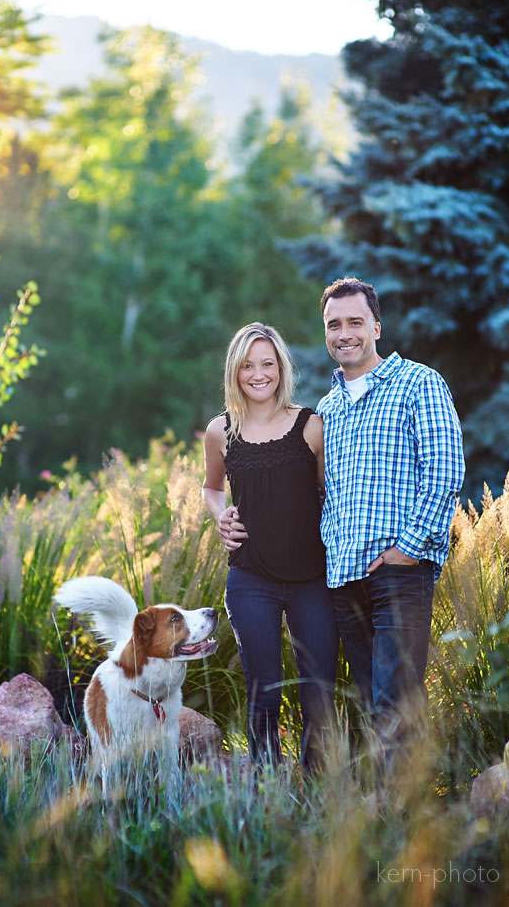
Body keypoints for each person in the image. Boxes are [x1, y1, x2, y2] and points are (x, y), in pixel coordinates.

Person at [317, 277, 464, 766]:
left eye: (355, 322)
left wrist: (408, 548)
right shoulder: (327, 408)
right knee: (369, 703)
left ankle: (398, 821)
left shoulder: (419, 383)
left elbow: (444, 471)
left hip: (400, 572)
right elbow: (325, 494)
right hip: (344, 579)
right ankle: (386, 818)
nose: (344, 333)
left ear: (376, 326)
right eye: (333, 325)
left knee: (394, 703)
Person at [202, 322, 338, 771]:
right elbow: (211, 488)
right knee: (264, 688)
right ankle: (265, 787)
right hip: (251, 579)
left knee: (317, 688)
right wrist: (221, 516)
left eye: (267, 364)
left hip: (312, 579)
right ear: (234, 372)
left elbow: (330, 494)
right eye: (247, 366)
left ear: (281, 367)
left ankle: (316, 785)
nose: (258, 374)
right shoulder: (221, 431)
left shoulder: (311, 425)